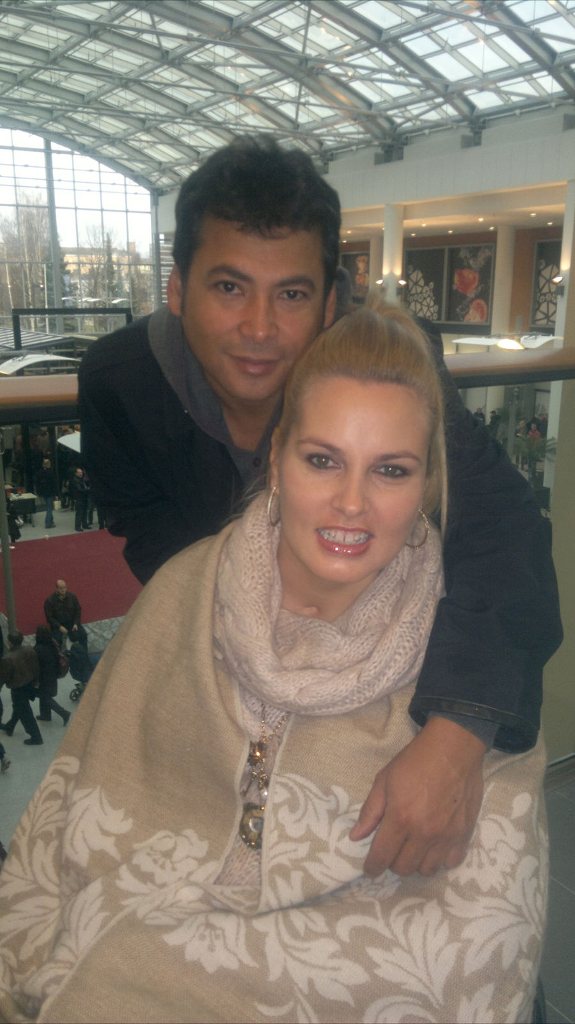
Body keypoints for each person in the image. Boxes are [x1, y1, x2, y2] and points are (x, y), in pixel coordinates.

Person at [0, 298, 549, 1022]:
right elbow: (70, 831)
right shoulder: (184, 595)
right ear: (279, 460)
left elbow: (483, 936)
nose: (350, 503)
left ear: (429, 485)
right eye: (323, 460)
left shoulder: (473, 660)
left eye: (390, 470)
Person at [79, 135, 561, 878]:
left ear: (331, 302)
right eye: (229, 287)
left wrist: (457, 733)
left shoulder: (383, 371)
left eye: (293, 294)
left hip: (383, 682)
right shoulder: (121, 385)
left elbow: (503, 527)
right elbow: (150, 537)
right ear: (176, 289)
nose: (260, 328)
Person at [0, 632, 42, 745]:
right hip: (29, 684)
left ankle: (36, 737)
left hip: (17, 688)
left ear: (9, 642)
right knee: (19, 707)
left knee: (25, 712)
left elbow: (3, 677)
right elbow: (36, 667)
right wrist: (36, 681)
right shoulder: (29, 650)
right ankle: (10, 726)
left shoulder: (7, 658)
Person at [34, 626, 70, 726]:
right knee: (45, 695)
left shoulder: (38, 648)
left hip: (43, 676)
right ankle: (45, 715)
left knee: (45, 697)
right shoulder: (52, 643)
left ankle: (64, 713)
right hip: (53, 673)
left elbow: (36, 664)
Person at [44, 579, 88, 649]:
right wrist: (59, 627)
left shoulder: (72, 597)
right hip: (58, 626)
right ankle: (60, 655)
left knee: (83, 635)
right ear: (56, 589)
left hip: (72, 623)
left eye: (64, 587)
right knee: (56, 641)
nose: (63, 590)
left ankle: (83, 653)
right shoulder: (49, 601)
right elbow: (49, 618)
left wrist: (76, 623)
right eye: (61, 588)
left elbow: (78, 610)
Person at [35, 457, 58, 529]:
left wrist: (39, 492)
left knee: (48, 506)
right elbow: (54, 484)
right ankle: (48, 523)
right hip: (50, 492)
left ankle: (51, 521)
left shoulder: (39, 472)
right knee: (49, 508)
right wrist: (56, 493)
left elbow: (37, 483)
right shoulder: (51, 473)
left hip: (43, 492)